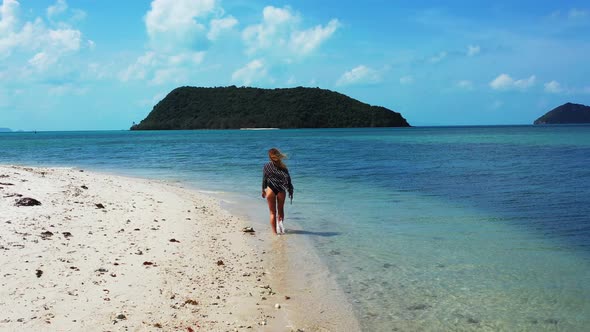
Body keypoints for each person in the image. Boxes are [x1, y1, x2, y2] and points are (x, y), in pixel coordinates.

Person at [262, 148, 294, 235]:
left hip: (270, 190)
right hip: (281, 190)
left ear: (270, 157)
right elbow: (288, 180)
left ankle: (274, 233)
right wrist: (289, 189)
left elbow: (264, 180)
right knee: (280, 211)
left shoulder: (266, 166)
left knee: (272, 212)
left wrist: (263, 190)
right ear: (279, 155)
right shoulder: (284, 168)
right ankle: (280, 229)